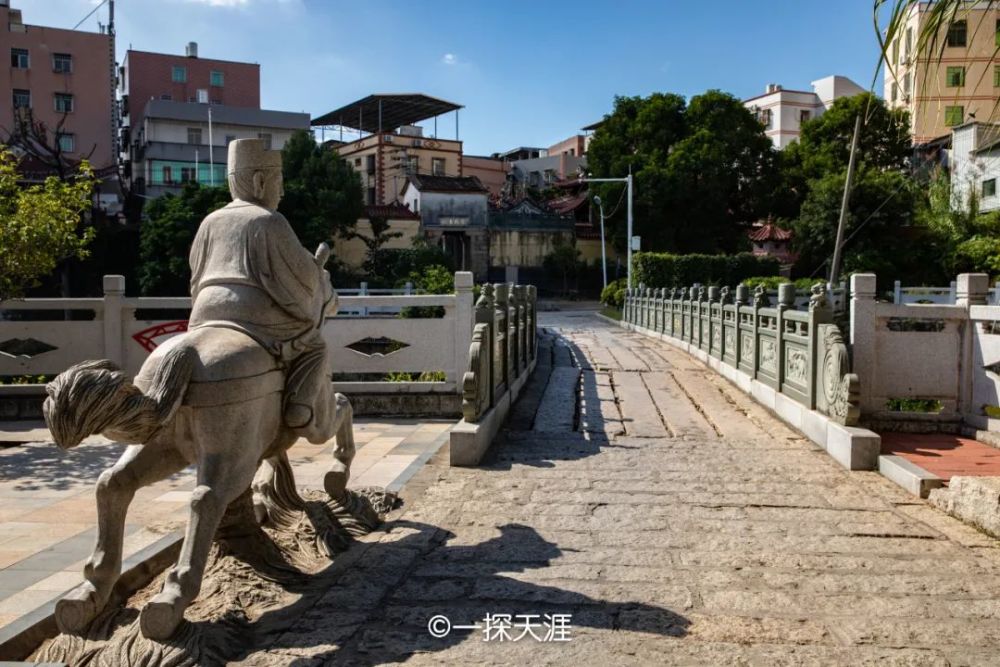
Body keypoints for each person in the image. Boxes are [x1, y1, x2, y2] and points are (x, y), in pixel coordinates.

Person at [187, 138, 336, 442]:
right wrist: (318, 272)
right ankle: (300, 407)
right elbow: (305, 281)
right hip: (254, 319)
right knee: (314, 342)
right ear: (259, 181)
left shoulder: (209, 222)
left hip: (203, 316)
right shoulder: (269, 221)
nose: (281, 192)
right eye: (278, 183)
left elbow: (195, 276)